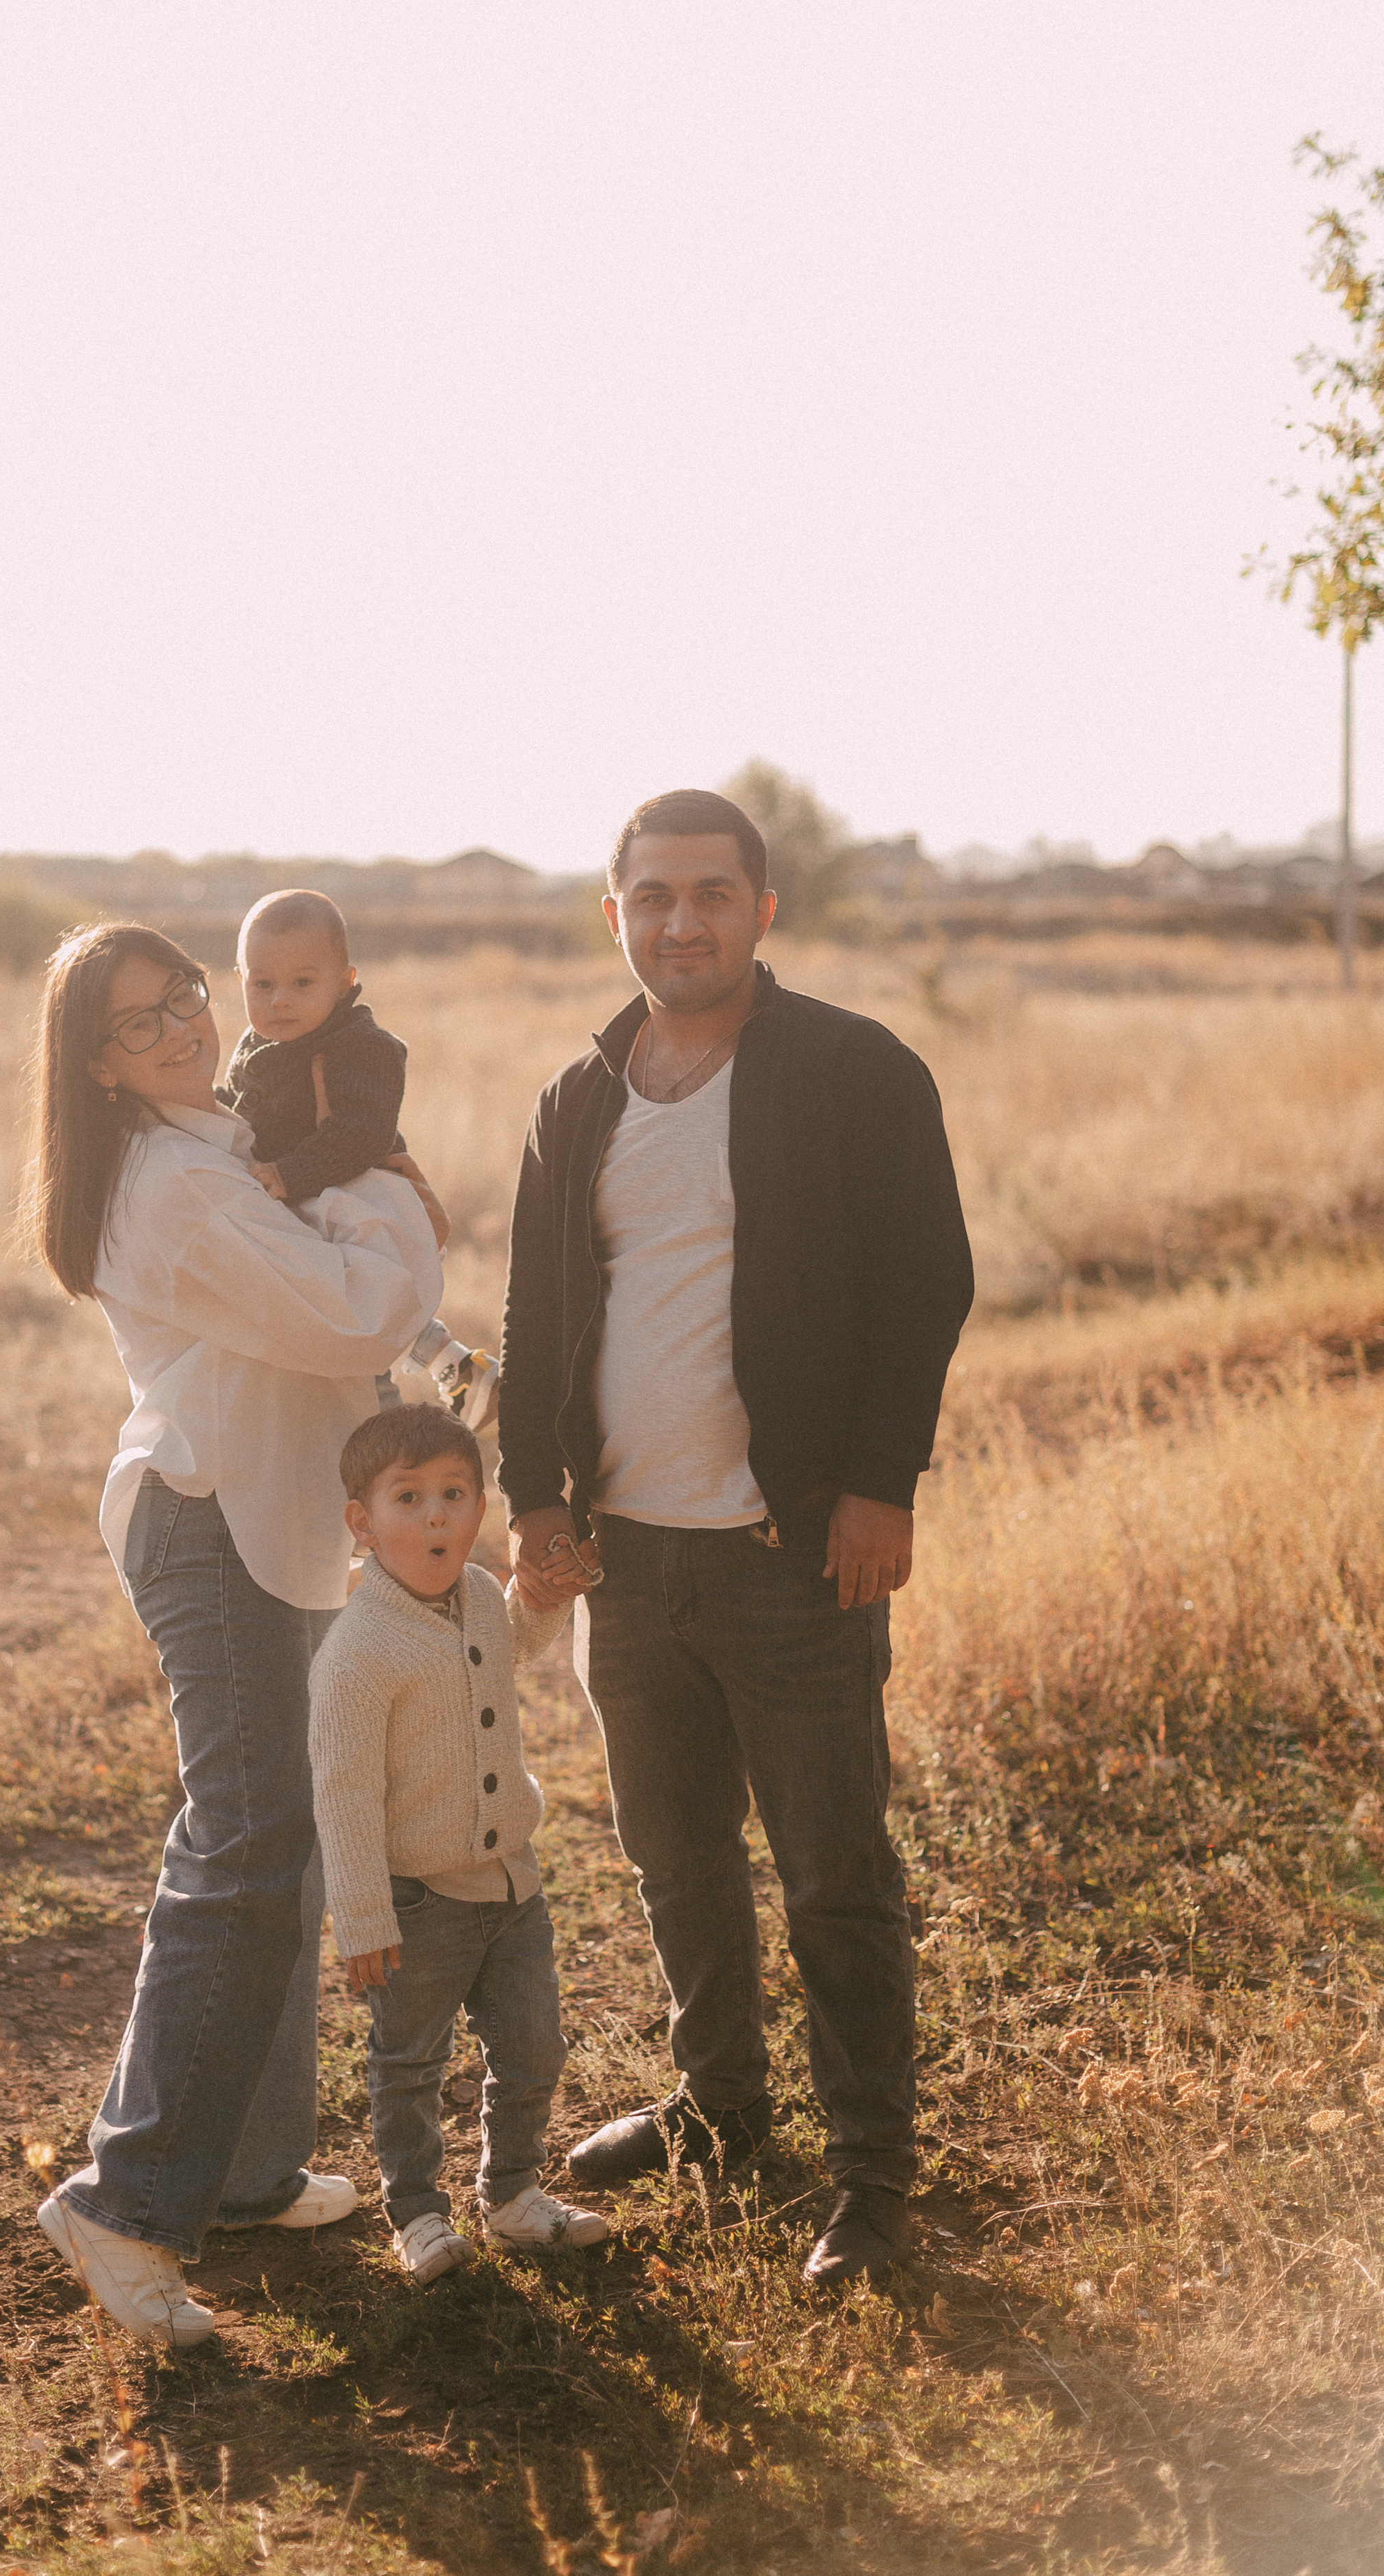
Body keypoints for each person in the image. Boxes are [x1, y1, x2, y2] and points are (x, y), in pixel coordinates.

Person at [498, 791, 974, 2287]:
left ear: (762, 910)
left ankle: (871, 2177)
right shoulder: (575, 1096)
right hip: (626, 1564)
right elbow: (532, 1316)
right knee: (673, 1860)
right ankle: (718, 2110)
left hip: (789, 1553)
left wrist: (879, 1482)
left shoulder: (849, 1070)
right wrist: (531, 1500)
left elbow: (923, 1284)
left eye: (711, 894)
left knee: (832, 1870)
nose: (681, 921)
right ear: (613, 915)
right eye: (652, 897)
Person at [21, 921, 446, 2347]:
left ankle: (250, 2172)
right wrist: (387, 1189)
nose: (181, 1030)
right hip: (209, 1520)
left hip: (259, 1512)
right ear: (92, 1062)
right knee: (251, 1835)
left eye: (184, 1000)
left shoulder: (214, 1143)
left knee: (288, 1839)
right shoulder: (175, 1182)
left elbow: (328, 1302)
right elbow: (351, 1313)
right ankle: (127, 2201)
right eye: (138, 1024)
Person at [308, 1406, 608, 2282]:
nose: (436, 1515)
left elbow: (507, 1646)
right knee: (408, 2062)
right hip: (416, 1901)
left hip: (512, 1885)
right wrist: (362, 1917)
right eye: (409, 1498)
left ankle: (512, 2194)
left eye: (454, 1494)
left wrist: (541, 1601)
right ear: (362, 1524)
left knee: (533, 2044)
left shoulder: (478, 1593)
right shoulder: (356, 1655)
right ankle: (417, 2213)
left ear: (480, 1507)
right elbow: (345, 1793)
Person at [223, 888, 499, 1427]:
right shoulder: (256, 1046)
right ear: (241, 981)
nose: (280, 999)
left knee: (371, 1295)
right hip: (310, 1194)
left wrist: (289, 1173)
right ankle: (457, 1369)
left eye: (303, 983)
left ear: (345, 983)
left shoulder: (358, 1045)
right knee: (352, 1296)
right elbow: (239, 1110)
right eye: (263, 984)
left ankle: (455, 1370)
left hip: (360, 1185)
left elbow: (361, 1133)